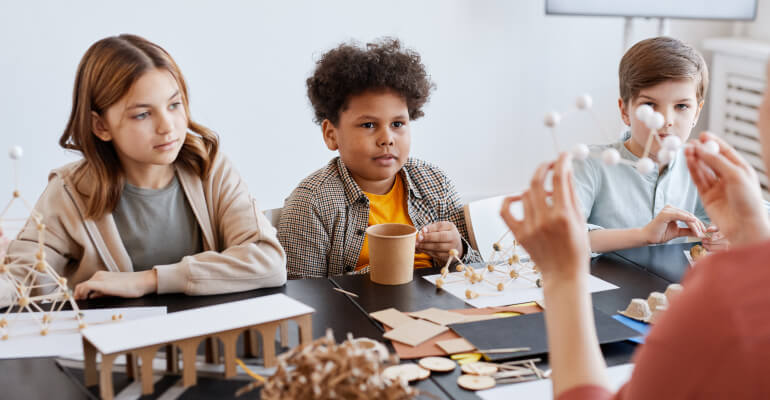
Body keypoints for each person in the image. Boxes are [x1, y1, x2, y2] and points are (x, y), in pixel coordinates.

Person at [499, 62, 770, 400]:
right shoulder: (593, 163)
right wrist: (645, 233)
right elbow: (573, 235)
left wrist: (739, 236)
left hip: (637, 324)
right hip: (602, 316)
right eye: (650, 105)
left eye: (681, 106)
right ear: (624, 111)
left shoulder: (701, 171)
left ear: (697, 111)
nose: (667, 120)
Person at [2, 34, 286, 305]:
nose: (168, 126)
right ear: (100, 126)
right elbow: (21, 282)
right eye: (142, 114)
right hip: (116, 350)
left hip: (206, 346)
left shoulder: (211, 169)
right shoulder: (68, 192)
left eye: (174, 105)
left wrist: (148, 280)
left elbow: (268, 262)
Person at [279, 38, 481, 278]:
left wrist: (457, 249)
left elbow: (479, 272)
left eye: (397, 123)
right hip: (356, 314)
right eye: (368, 124)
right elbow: (302, 297)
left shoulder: (435, 184)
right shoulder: (311, 204)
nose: (387, 138)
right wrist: (384, 269)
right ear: (331, 135)